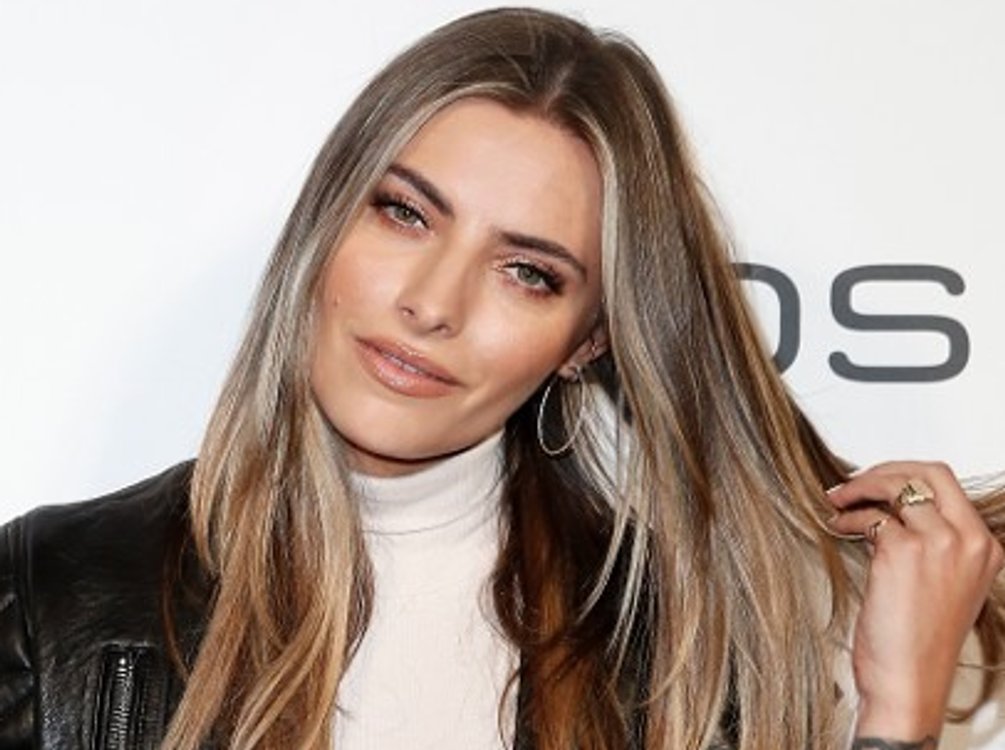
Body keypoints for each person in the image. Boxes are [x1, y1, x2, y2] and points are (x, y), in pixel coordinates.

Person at [2, 7, 1003, 750]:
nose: (432, 304)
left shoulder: (680, 655)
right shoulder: (56, 592)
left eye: (528, 272)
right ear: (326, 220)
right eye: (405, 213)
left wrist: (897, 718)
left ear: (585, 341)